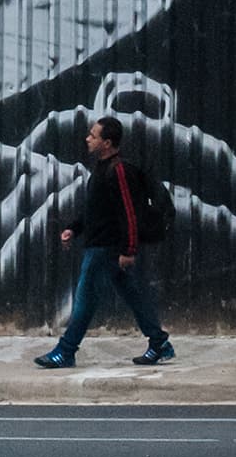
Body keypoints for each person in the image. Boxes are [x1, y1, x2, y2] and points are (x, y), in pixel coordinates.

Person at [34, 113, 175, 367]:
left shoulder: (118, 170)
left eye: (93, 135)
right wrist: (74, 229)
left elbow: (128, 212)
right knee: (132, 294)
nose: (87, 139)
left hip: (106, 248)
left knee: (85, 300)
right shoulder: (101, 168)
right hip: (101, 244)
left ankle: (65, 351)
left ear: (107, 143)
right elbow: (95, 210)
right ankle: (159, 343)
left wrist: (129, 249)